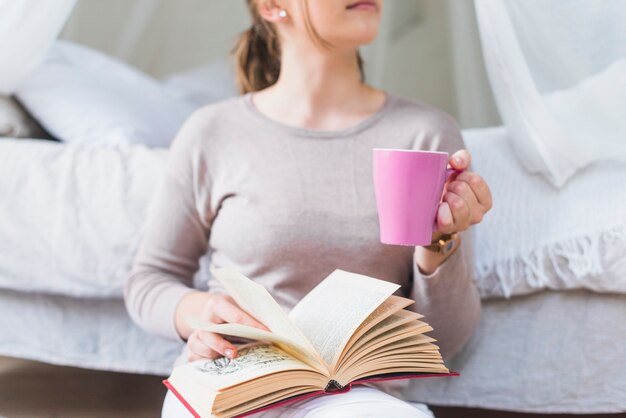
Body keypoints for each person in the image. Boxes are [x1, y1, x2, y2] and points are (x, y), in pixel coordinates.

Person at [124, 0, 493, 416]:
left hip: (354, 396)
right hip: (231, 379)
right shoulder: (213, 132)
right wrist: (201, 314)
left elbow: (444, 342)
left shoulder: (425, 135)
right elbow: (148, 281)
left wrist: (440, 243)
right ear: (271, 6)